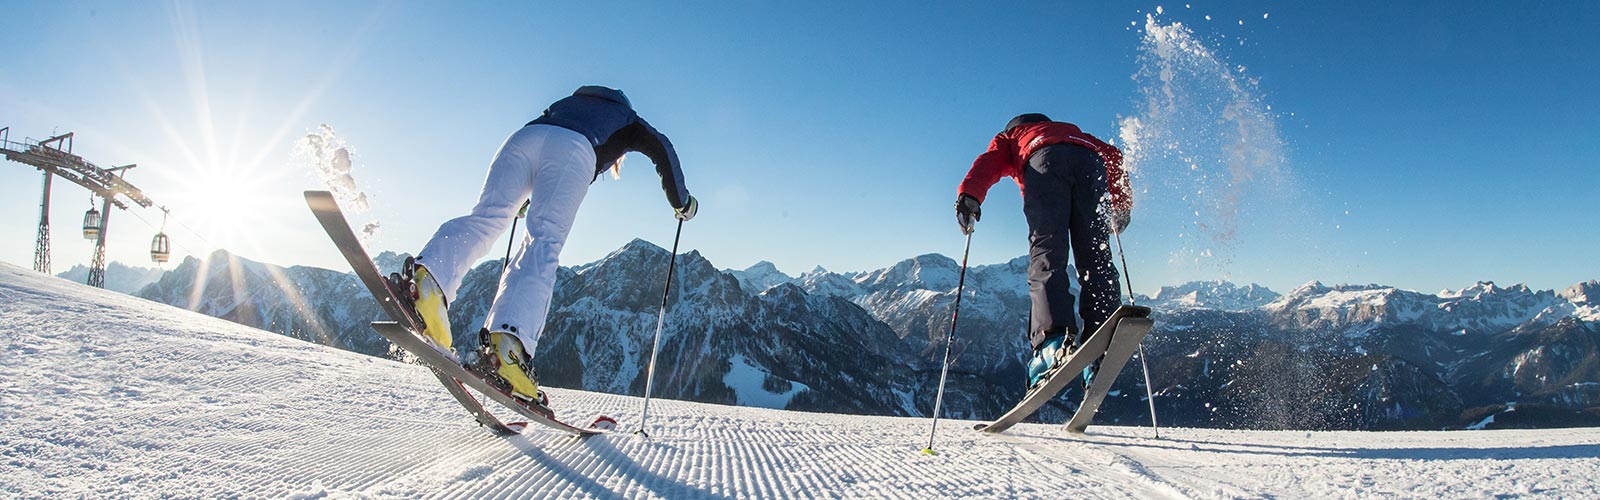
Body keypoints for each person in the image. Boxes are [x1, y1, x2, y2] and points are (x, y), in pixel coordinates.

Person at [394, 85, 697, 409]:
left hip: (522, 139)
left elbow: (545, 148)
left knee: (487, 216)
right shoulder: (627, 118)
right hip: (574, 150)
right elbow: (661, 147)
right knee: (543, 241)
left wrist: (523, 199)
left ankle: (426, 285)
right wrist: (682, 202)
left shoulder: (564, 105)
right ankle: (507, 348)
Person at [954, 113, 1130, 392]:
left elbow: (988, 162)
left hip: (1044, 165)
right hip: (1090, 164)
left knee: (1048, 251)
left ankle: (1052, 341)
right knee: (1095, 252)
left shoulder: (1012, 137)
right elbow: (1114, 157)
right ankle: (1102, 334)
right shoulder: (1075, 131)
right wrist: (1121, 204)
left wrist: (969, 196)